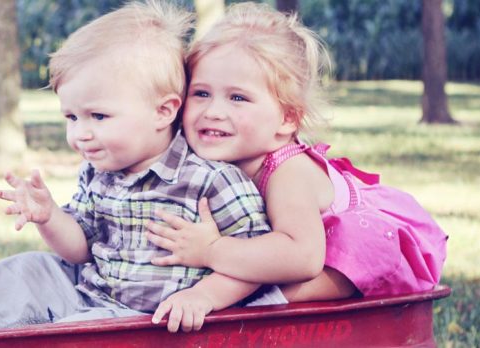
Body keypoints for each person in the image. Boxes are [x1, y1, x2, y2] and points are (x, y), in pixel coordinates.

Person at [0, 0, 278, 334]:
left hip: (145, 323)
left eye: (98, 117)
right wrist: (50, 218)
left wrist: (204, 296)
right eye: (71, 118)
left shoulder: (211, 180)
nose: (80, 134)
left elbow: (257, 266)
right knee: (29, 267)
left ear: (163, 111)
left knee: (73, 333)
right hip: (87, 292)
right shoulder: (99, 170)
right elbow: (79, 248)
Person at [145, 2, 447, 304]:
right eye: (201, 93)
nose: (213, 111)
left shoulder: (288, 174)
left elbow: (302, 257)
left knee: (297, 276)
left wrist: (212, 250)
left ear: (287, 119)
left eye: (238, 97)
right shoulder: (211, 158)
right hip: (299, 247)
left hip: (363, 251)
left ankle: (267, 303)